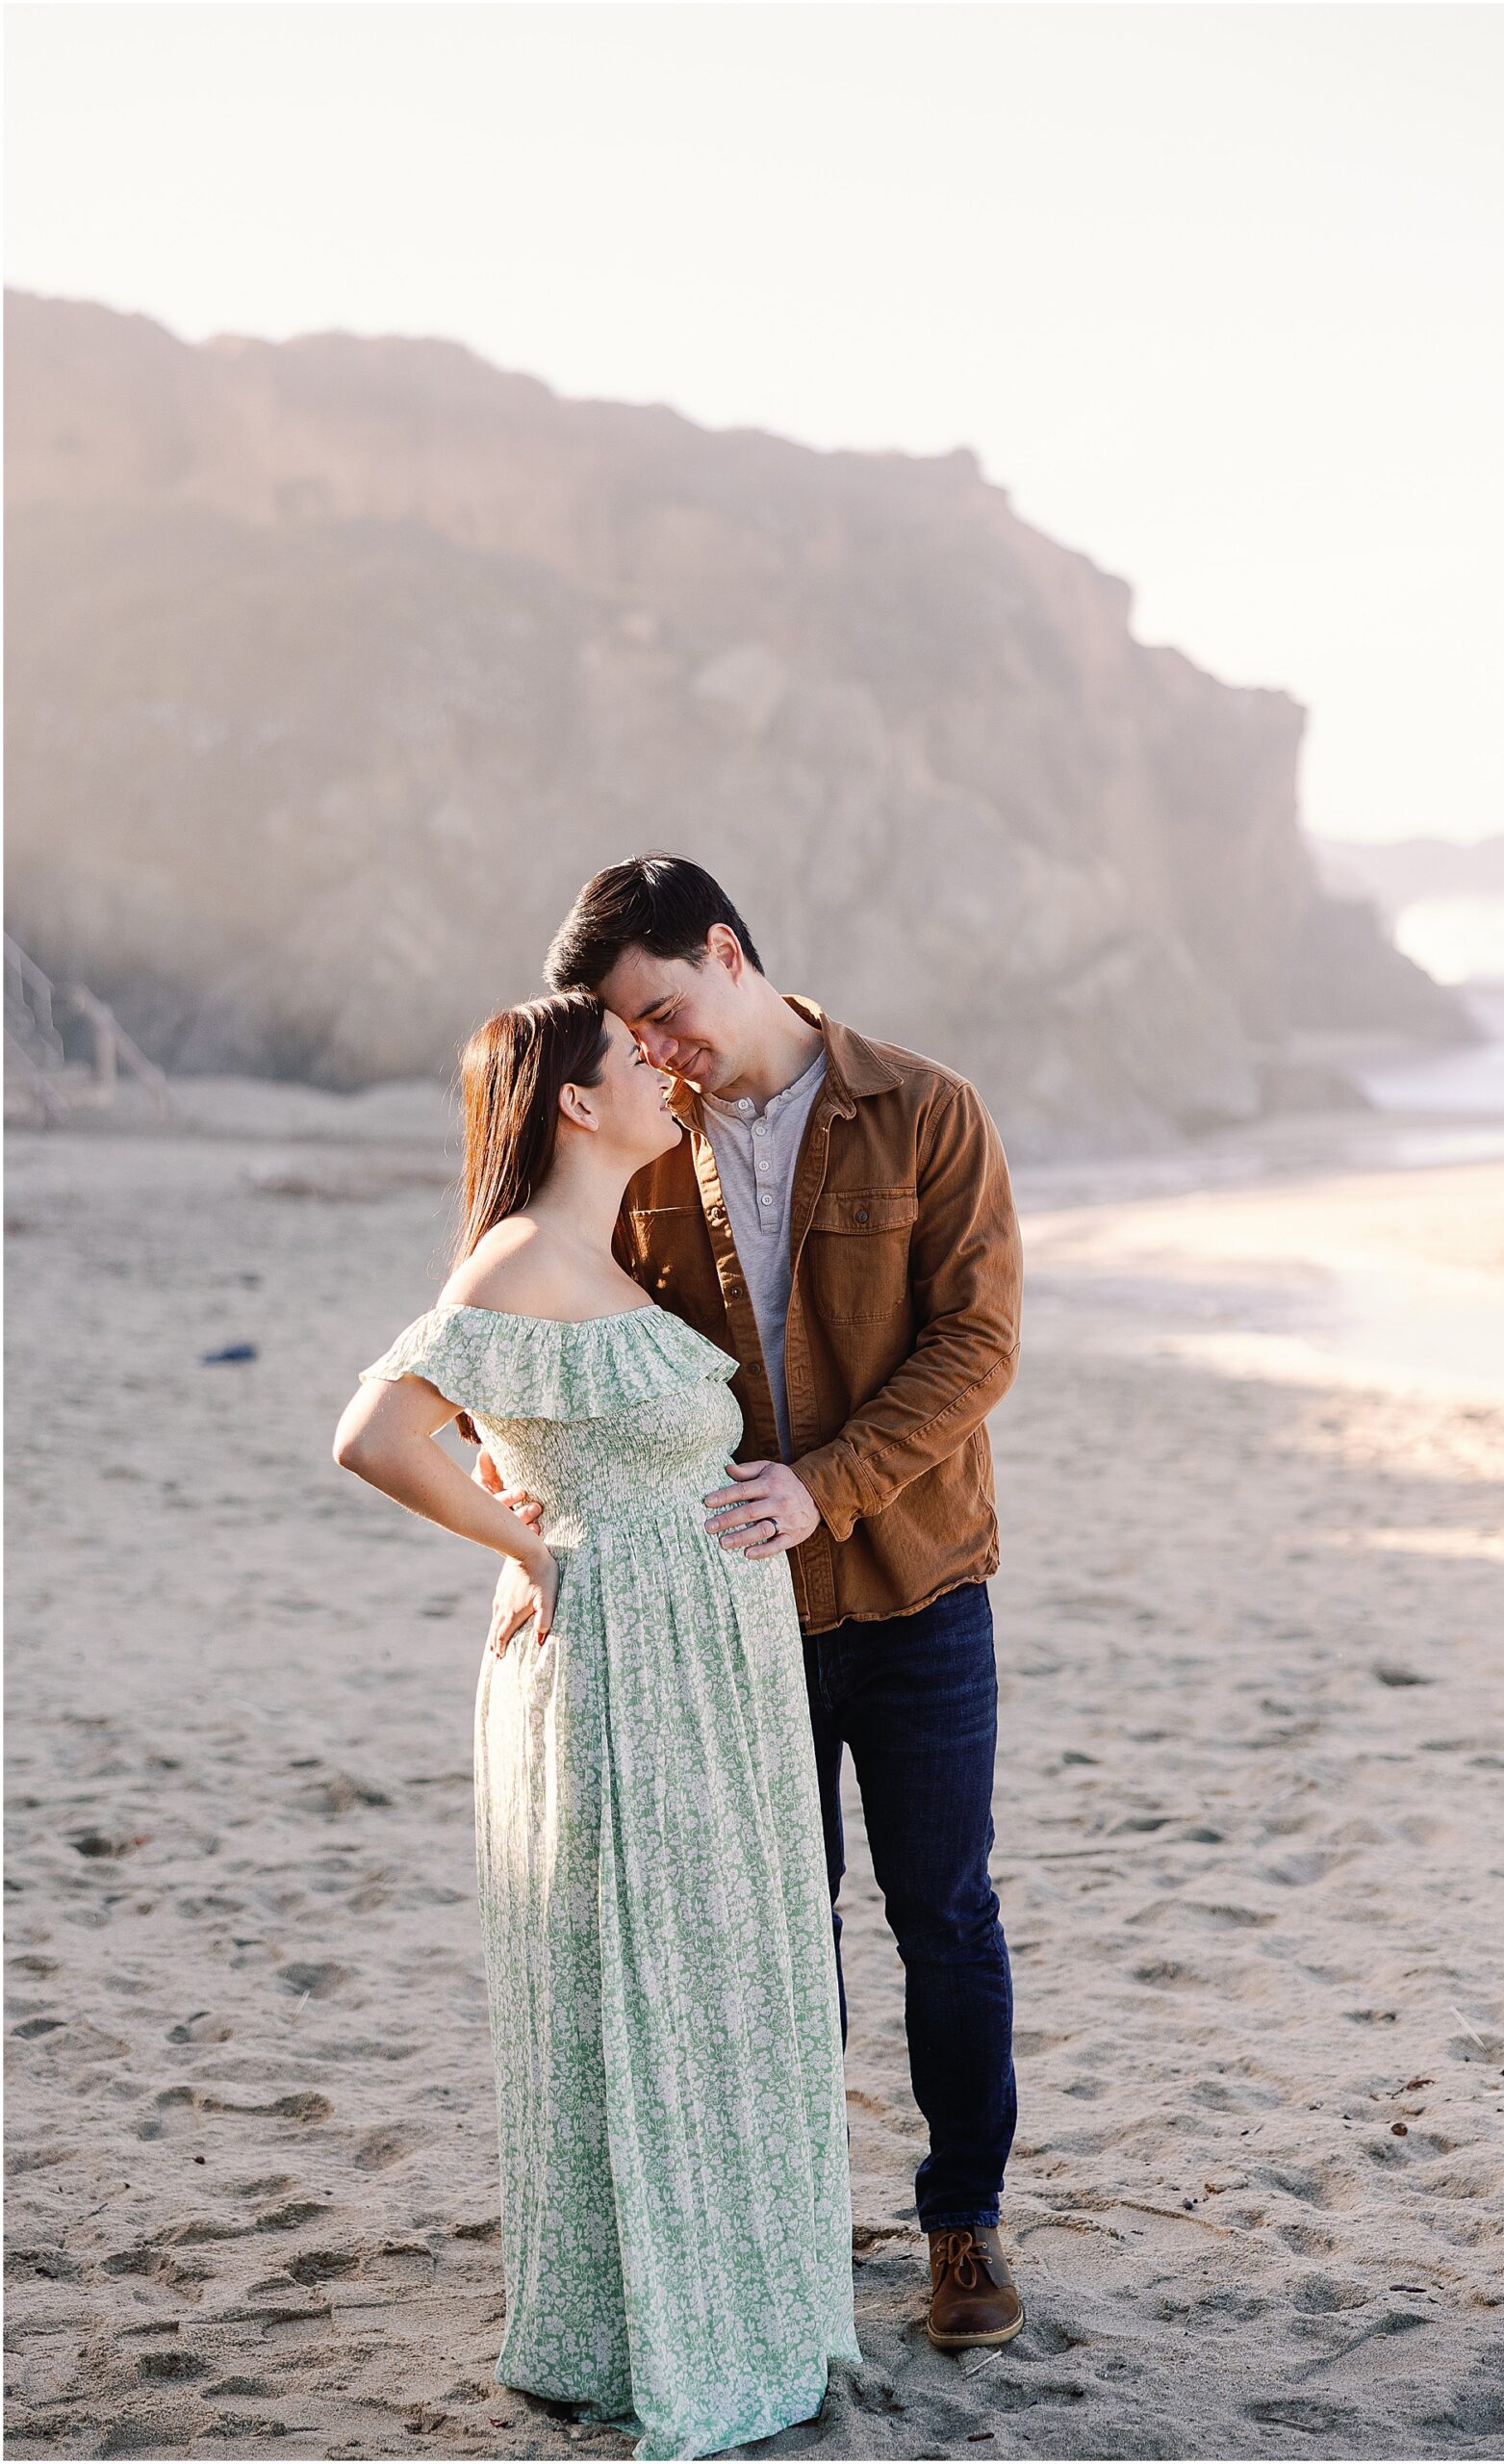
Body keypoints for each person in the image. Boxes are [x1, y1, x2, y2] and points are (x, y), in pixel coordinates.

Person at [485, 855, 1027, 2351]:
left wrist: (824, 1487)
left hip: (918, 1586)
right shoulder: (644, 1138)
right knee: (772, 1932)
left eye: (663, 1011)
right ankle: (788, 2228)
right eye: (631, 1033)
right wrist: (515, 1496)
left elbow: (975, 1346)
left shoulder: (925, 1109)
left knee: (945, 1916)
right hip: (723, 1613)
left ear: (725, 951)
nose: (657, 1051)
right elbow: (540, 1315)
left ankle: (963, 2229)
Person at [333, 990, 859, 2461]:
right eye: (635, 1059)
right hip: (630, 1672)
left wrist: (531, 1499)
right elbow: (375, 1435)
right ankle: (653, 2332)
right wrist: (528, 1547)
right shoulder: (519, 1258)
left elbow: (537, 1431)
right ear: (573, 1100)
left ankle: (703, 2306)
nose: (664, 1076)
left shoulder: (604, 1256)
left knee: (715, 1980)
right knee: (654, 1983)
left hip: (707, 1674)